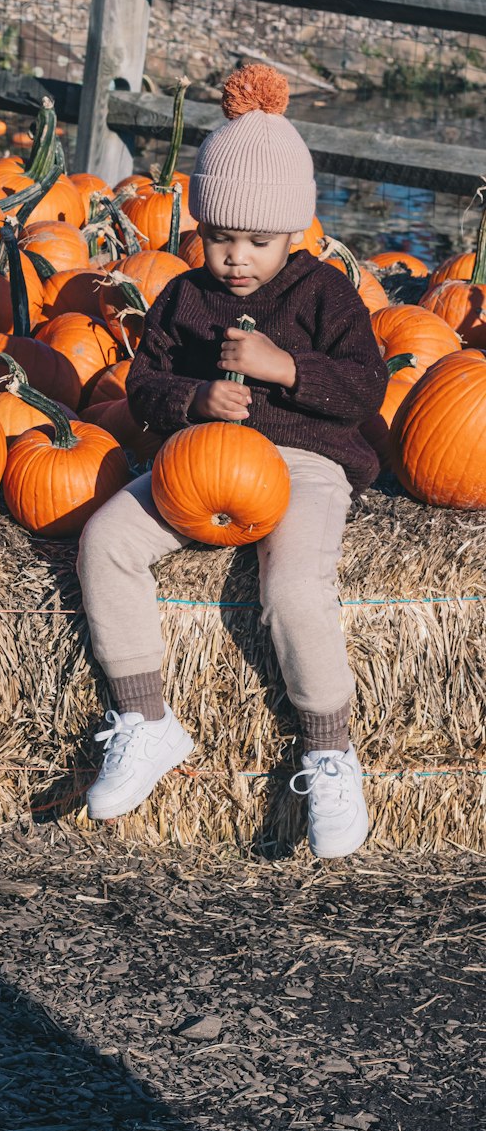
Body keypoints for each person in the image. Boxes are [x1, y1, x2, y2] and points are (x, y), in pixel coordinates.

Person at [77, 65, 388, 860]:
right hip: (202, 456)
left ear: (295, 232)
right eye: (221, 238)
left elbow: (364, 389)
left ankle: (330, 749)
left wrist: (287, 369)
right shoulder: (183, 297)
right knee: (107, 541)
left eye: (258, 241)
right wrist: (194, 402)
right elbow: (145, 386)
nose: (238, 259)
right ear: (200, 228)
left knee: (292, 588)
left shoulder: (324, 296)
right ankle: (146, 720)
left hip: (305, 458)